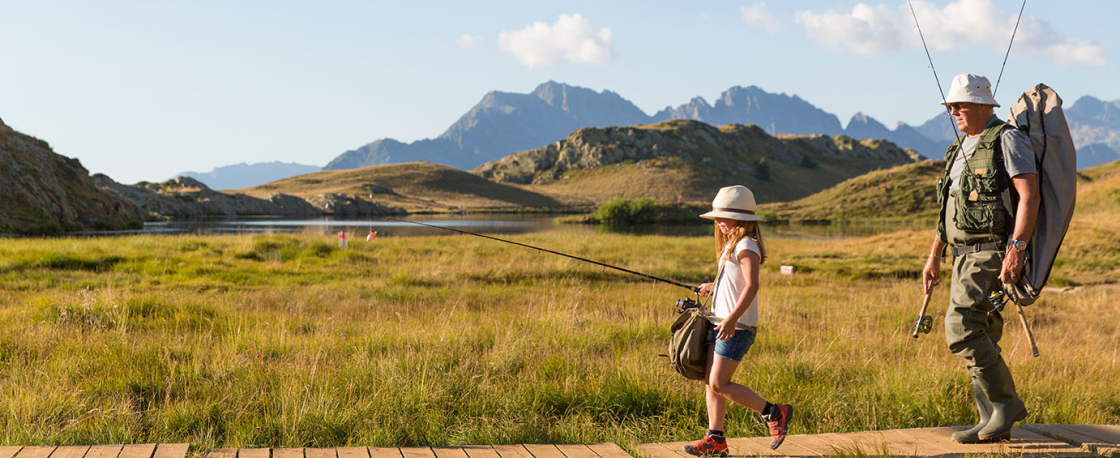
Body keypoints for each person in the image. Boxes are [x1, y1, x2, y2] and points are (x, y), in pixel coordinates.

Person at [921, 74, 1040, 444]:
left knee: (961, 326)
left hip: (990, 251)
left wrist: (1017, 249)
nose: (955, 111)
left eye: (962, 104)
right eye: (951, 106)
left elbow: (1029, 195)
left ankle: (1006, 404)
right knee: (982, 329)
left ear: (986, 105)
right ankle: (990, 418)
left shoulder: (1006, 138)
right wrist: (933, 256)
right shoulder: (958, 148)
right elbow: (948, 211)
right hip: (959, 255)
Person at [684, 185, 792, 456]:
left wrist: (731, 319)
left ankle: (774, 412)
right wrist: (713, 285)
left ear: (741, 218)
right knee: (711, 382)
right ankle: (715, 438)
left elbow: (752, 285)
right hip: (721, 322)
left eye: (724, 217)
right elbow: (736, 282)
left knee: (719, 383)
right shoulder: (733, 243)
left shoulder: (746, 244)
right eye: (717, 217)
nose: (719, 222)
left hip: (736, 326)